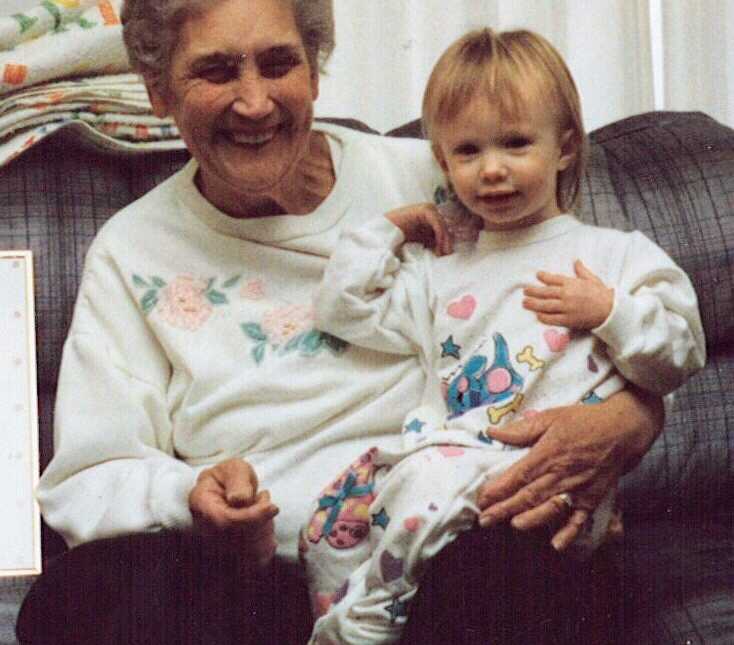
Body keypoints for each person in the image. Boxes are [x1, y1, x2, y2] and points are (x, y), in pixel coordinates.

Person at [15, 2, 668, 644]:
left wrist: (632, 415)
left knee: (505, 575)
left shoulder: (443, 176)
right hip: (260, 574)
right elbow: (89, 475)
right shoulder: (132, 250)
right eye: (215, 71)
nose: (254, 102)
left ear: (316, 72)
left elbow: (586, 295)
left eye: (278, 64)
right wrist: (193, 497)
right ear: (158, 92)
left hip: (449, 539)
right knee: (75, 599)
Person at [304, 27, 705, 644]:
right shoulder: (442, 269)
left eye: (517, 143)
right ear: (443, 162)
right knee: (343, 515)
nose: (492, 170)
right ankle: (366, 602)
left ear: (565, 148)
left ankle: (367, 618)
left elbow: (681, 352)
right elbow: (344, 311)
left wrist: (609, 312)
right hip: (456, 465)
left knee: (452, 518)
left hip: (558, 488)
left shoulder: (615, 256)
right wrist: (385, 232)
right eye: (467, 152)